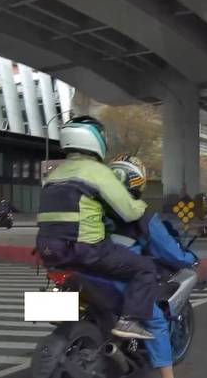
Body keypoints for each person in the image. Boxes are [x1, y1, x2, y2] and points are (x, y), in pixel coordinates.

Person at [35, 116, 157, 340]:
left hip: (47, 251)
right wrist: (142, 205)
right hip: (86, 249)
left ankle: (60, 312)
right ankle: (130, 321)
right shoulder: (97, 171)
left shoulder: (54, 175)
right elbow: (129, 211)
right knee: (145, 269)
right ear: (95, 140)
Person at [109, 155, 197, 378]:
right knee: (156, 320)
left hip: (80, 266)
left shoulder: (94, 209)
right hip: (117, 274)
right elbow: (169, 251)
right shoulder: (141, 215)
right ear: (138, 183)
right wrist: (189, 258)